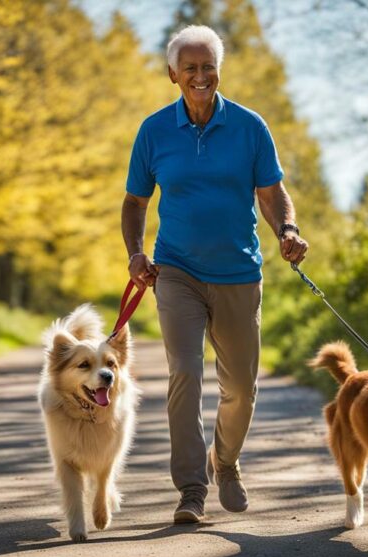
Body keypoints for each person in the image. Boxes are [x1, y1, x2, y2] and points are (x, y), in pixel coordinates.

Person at [121, 24, 309, 524]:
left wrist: (287, 229)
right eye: (190, 68)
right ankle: (191, 489)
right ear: (172, 74)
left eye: (208, 67)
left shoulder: (250, 127)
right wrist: (135, 254)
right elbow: (135, 202)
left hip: (238, 273)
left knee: (241, 389)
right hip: (176, 270)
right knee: (184, 371)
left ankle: (224, 462)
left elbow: (271, 194)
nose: (200, 76)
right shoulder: (154, 131)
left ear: (218, 72)